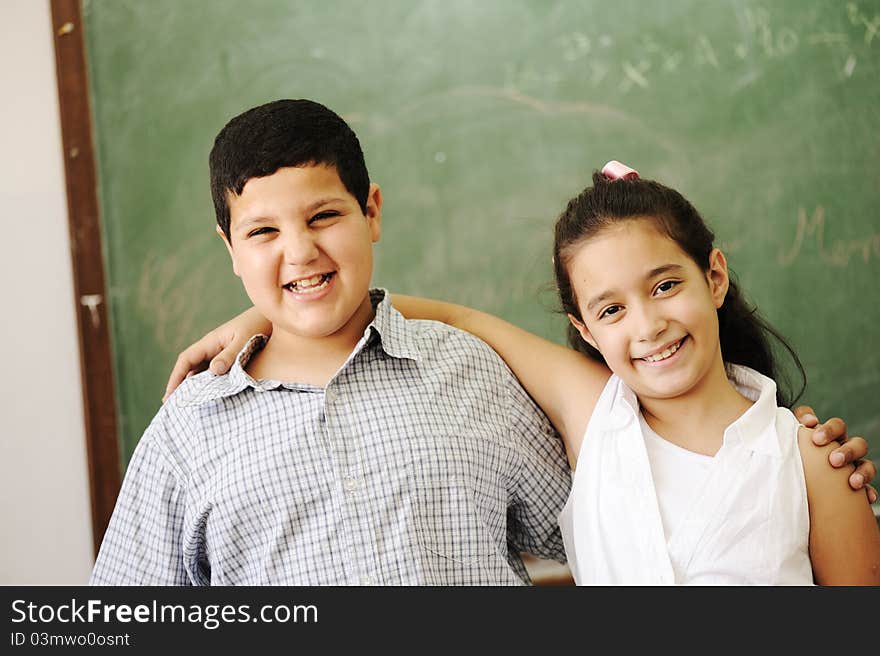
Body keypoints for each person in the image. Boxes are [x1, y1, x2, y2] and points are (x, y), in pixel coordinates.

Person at [170, 158, 879, 584]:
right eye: (610, 310)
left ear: (714, 277)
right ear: (582, 331)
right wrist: (266, 318)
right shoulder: (595, 415)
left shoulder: (811, 461)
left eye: (666, 286)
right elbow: (460, 317)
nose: (648, 325)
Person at [90, 98, 574, 586]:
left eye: (323, 216)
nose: (300, 251)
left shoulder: (469, 370)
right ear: (230, 249)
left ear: (371, 212)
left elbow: (593, 528)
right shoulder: (188, 429)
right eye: (262, 231)